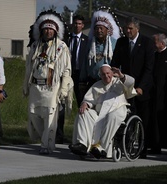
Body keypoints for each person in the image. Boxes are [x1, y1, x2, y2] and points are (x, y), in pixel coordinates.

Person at [23, 10, 73, 154]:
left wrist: (64, 90)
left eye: (51, 28)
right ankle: (44, 138)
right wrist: (25, 84)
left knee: (50, 116)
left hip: (52, 86)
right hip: (35, 86)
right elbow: (28, 67)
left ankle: (46, 145)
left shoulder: (62, 47)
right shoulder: (34, 46)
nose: (48, 31)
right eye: (46, 28)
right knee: (33, 114)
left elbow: (66, 71)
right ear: (41, 30)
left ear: (56, 30)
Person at [69, 64, 136, 159]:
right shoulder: (97, 85)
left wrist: (121, 75)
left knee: (112, 116)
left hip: (117, 110)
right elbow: (89, 100)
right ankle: (82, 145)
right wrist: (86, 104)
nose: (106, 76)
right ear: (100, 75)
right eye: (103, 74)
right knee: (84, 113)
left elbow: (130, 84)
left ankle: (101, 147)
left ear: (112, 73)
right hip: (99, 113)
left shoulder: (119, 82)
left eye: (108, 73)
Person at [111, 16, 155, 158]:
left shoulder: (147, 43)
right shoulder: (121, 42)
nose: (127, 31)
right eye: (126, 28)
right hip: (126, 86)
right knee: (126, 115)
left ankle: (143, 148)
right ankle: (125, 145)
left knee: (143, 117)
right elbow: (115, 64)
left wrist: (141, 86)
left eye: (130, 28)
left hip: (142, 88)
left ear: (137, 29)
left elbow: (149, 68)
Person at [55, 14, 88, 144]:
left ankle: (81, 137)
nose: (77, 25)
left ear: (83, 25)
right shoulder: (65, 40)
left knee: (82, 105)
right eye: (75, 23)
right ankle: (59, 135)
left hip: (81, 76)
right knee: (61, 104)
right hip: (66, 76)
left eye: (79, 24)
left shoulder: (87, 40)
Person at [148, 33, 167, 154]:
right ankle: (155, 145)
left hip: (166, 93)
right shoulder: (153, 55)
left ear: (162, 43)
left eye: (155, 42)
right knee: (154, 120)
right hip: (154, 93)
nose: (153, 44)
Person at [80, 9, 121, 88]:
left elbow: (119, 62)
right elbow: (85, 62)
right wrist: (82, 79)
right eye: (97, 28)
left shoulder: (114, 43)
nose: (99, 31)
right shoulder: (90, 43)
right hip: (92, 81)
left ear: (107, 30)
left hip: (110, 81)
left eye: (101, 28)